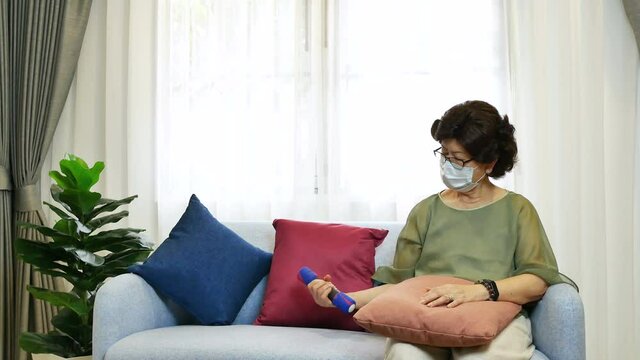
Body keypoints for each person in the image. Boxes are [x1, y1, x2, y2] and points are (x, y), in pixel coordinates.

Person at [307, 100, 572, 360]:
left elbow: (537, 280)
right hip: (427, 315)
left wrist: (477, 291)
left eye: (458, 159)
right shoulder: (425, 211)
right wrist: (340, 298)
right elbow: (401, 287)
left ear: (489, 163)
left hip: (493, 314)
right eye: (444, 154)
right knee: (404, 354)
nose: (448, 164)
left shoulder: (518, 210)